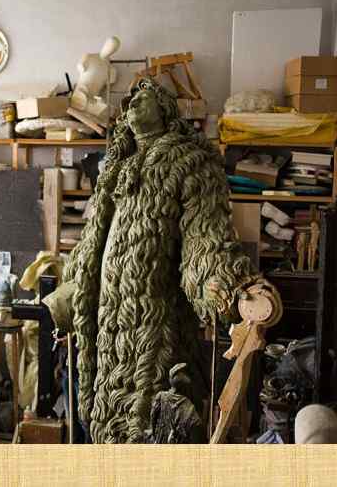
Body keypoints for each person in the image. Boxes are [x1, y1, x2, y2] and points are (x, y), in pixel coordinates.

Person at [63, 77, 281, 443]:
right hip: (101, 327)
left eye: (143, 97)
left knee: (150, 423)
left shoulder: (189, 162)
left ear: (165, 109)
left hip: (152, 325)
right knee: (103, 418)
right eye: (129, 101)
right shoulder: (115, 167)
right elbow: (92, 240)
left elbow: (205, 238)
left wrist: (230, 285)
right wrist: (72, 282)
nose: (132, 103)